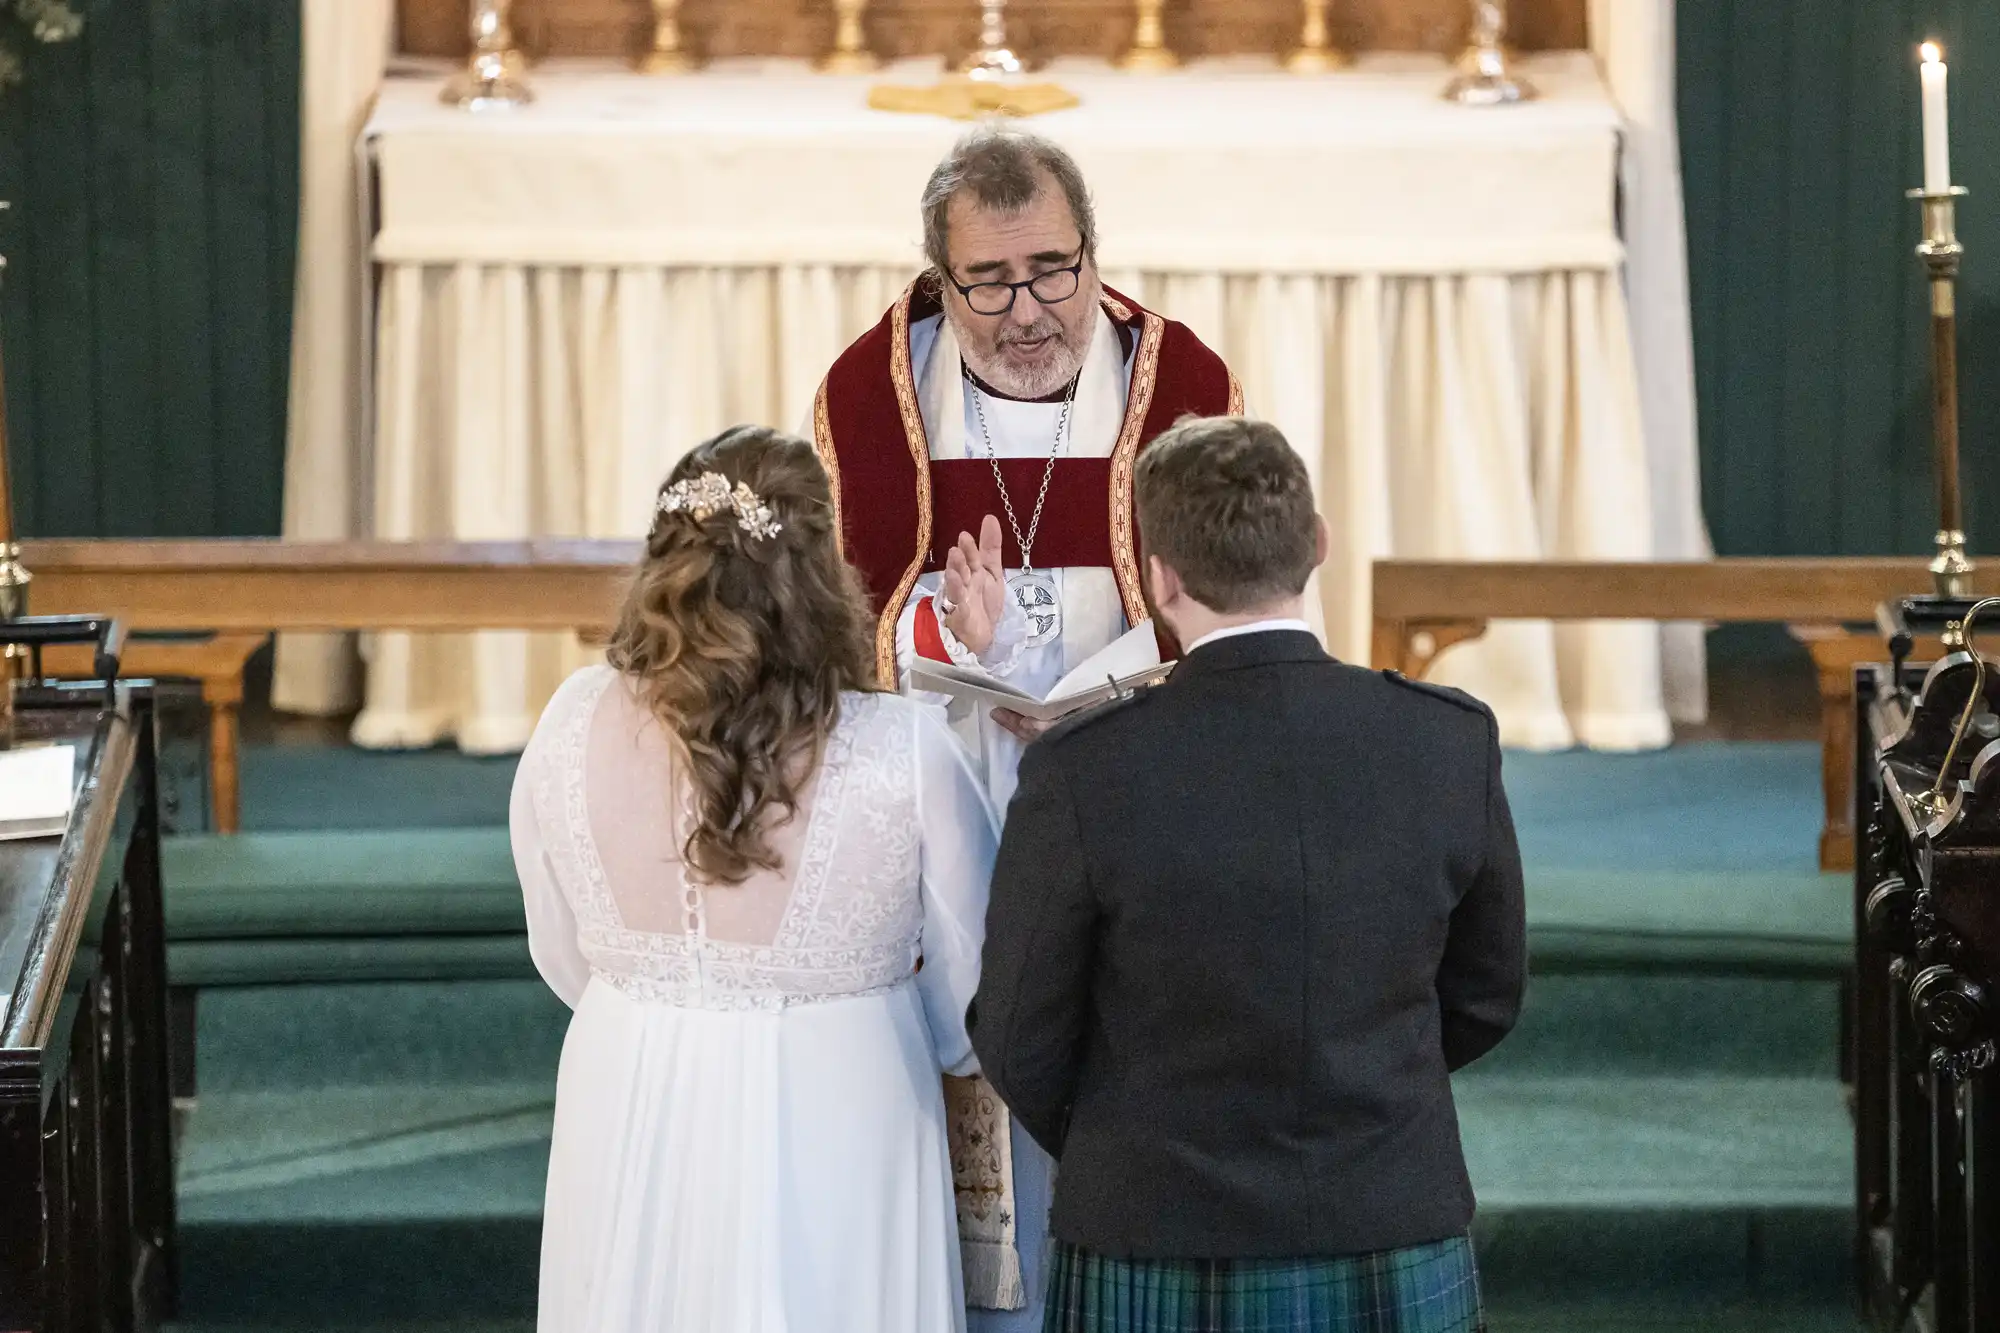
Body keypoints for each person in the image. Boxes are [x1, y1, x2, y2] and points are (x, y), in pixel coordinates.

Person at [808, 124, 1242, 1327]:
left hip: (1135, 781)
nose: (1025, 310)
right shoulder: (875, 392)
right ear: (939, 278)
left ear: (1093, 255)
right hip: (953, 789)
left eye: (1052, 269)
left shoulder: (1180, 382)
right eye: (986, 281)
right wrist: (970, 647)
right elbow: (851, 624)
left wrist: (1098, 706)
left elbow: (1225, 594)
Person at [969, 415, 1527, 1333]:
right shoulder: (1446, 740)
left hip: (1150, 1228)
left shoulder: (1085, 768)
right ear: (1317, 545)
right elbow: (1487, 993)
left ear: (1160, 578)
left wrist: (1127, 1139)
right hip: (1385, 1210)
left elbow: (1021, 1030)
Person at [510, 425, 999, 1333]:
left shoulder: (571, 719)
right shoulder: (903, 746)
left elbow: (561, 946)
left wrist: (659, 1002)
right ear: (821, 570)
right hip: (843, 1092)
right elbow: (976, 991)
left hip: (626, 1078)